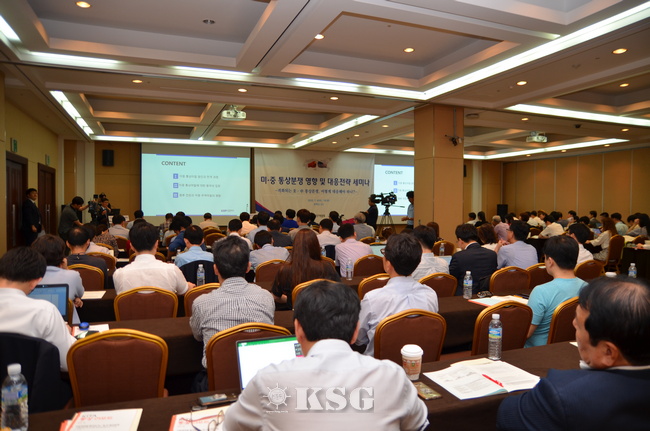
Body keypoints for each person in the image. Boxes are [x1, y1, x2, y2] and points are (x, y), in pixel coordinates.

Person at [222, 280, 429, 430]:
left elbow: (229, 427)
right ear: (356, 330)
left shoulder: (267, 381)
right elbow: (418, 424)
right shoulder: (393, 376)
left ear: (298, 329)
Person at [497, 276, 650, 430]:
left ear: (608, 352)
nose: (573, 323)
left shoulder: (563, 394)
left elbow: (507, 415)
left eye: (578, 326)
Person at [189, 236, 275, 392]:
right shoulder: (266, 297)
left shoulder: (201, 303)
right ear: (248, 267)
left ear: (215, 269)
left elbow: (197, 336)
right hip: (260, 380)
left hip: (217, 382)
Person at [356, 233, 439, 356]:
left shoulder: (372, 299)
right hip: (419, 362)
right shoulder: (430, 294)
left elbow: (359, 339)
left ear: (388, 264)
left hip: (380, 365)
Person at [0, 247, 77, 371]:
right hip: (34, 381)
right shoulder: (45, 311)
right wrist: (64, 332)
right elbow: (67, 363)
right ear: (35, 282)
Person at [525, 236, 587, 347]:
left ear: (550, 261)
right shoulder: (587, 288)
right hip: (571, 347)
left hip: (536, 351)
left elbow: (526, 333)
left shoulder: (541, 291)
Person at [113, 222, 195, 294]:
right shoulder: (172, 270)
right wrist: (188, 286)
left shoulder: (119, 274)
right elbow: (185, 291)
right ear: (156, 244)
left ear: (131, 246)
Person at [271, 229, 340, 309]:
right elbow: (338, 290)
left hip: (296, 313)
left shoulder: (285, 270)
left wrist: (292, 299)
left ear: (295, 247)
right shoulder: (327, 266)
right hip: (322, 311)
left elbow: (276, 296)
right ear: (316, 245)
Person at [31, 234, 85, 324]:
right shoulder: (72, 276)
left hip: (35, 325)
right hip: (67, 325)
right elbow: (80, 293)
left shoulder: (26, 278)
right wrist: (66, 269)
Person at [449, 224, 497, 295]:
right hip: (487, 295)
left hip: (464, 296)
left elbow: (451, 278)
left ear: (460, 240)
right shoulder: (492, 254)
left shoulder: (458, 256)